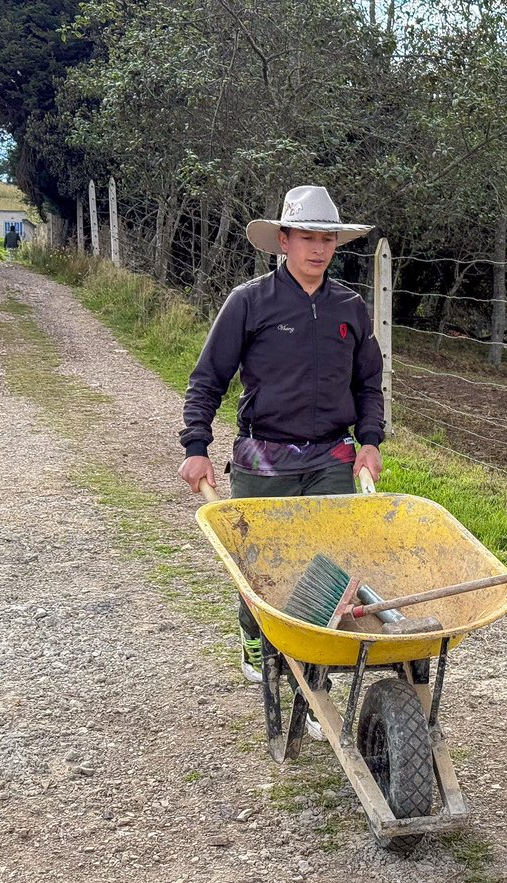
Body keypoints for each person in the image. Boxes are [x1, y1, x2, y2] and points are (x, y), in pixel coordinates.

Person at [177, 185, 385, 729]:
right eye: (307, 237)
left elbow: (368, 384)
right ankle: (255, 637)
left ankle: (309, 682)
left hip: (331, 455)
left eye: (327, 239)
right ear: (284, 240)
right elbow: (208, 379)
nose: (317, 249)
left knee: (328, 569)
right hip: (262, 456)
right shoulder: (250, 302)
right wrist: (196, 446)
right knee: (261, 569)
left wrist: (370, 442)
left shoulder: (349, 307)